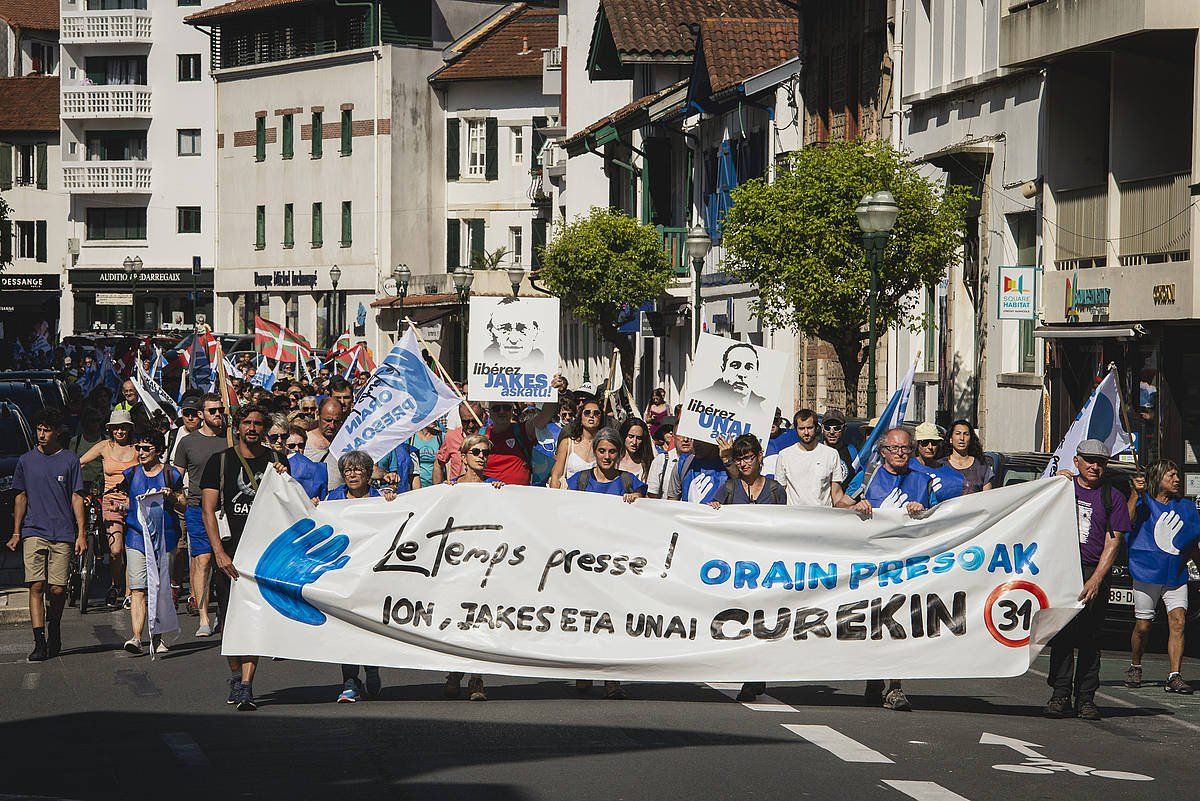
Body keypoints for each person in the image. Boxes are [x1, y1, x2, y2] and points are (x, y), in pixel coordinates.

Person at [201, 404, 290, 711]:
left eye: (257, 424)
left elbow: (290, 502)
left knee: (253, 623)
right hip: (230, 556)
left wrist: (284, 476)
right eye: (247, 423)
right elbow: (208, 510)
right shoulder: (220, 462)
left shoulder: (278, 459)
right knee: (228, 626)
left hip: (263, 558)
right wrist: (219, 553)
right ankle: (236, 674)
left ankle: (247, 685)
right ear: (237, 426)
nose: (252, 428)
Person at [856, 427, 938, 712]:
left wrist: (924, 512)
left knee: (898, 622)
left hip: (907, 565)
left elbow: (942, 517)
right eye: (895, 448)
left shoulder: (923, 480)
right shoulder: (868, 477)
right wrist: (857, 505)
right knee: (873, 623)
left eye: (906, 448)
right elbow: (840, 502)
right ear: (883, 451)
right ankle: (874, 677)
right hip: (872, 564)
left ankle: (895, 686)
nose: (901, 453)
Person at [1046, 439, 1129, 721]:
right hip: (1062, 571)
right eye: (1089, 460)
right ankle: (1059, 695)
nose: (1095, 467)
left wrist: (1096, 579)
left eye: (1101, 462)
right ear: (1077, 461)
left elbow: (1113, 542)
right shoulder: (1062, 489)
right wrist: (1051, 483)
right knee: (1062, 636)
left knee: (1090, 639)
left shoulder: (1112, 496)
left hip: (1093, 571)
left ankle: (1086, 698)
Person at [567, 427, 646, 700]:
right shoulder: (579, 480)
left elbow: (651, 517)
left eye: (612, 451)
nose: (607, 456)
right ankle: (584, 670)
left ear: (619, 453)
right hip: (584, 562)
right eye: (602, 451)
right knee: (583, 619)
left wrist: (639, 502)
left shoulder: (629, 482)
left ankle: (612, 678)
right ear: (595, 452)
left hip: (616, 564)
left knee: (612, 620)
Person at [707, 434, 786, 701]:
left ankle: (756, 675)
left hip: (766, 568)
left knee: (762, 620)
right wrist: (715, 510)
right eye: (739, 458)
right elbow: (710, 521)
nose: (743, 463)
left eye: (748, 457)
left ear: (760, 456)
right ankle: (750, 673)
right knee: (742, 619)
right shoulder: (728, 488)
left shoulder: (775, 490)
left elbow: (787, 526)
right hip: (738, 568)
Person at [5, 408, 86, 662]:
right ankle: (39, 640)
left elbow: (76, 497)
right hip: (33, 530)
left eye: (46, 430)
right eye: (38, 430)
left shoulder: (70, 460)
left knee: (58, 589)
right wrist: (17, 531)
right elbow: (20, 496)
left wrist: (81, 533)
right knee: (36, 585)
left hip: (62, 531)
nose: (41, 435)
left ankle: (55, 627)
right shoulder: (26, 461)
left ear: (57, 432)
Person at [319, 450, 396, 702]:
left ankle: (372, 668)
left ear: (368, 473)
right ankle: (350, 680)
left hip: (372, 573)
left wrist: (392, 501)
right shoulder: (334, 498)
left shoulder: (379, 498)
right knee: (346, 627)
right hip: (343, 572)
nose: (352, 474)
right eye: (347, 470)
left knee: (369, 625)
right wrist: (313, 507)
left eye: (358, 469)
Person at [1124, 460, 1199, 694]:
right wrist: (1135, 495)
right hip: (1147, 572)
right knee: (1143, 626)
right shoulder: (1144, 503)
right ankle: (1136, 664)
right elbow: (1125, 521)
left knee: (1178, 622)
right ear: (1158, 478)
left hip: (1175, 573)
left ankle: (1174, 675)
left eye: (1177, 475)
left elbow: (1192, 541)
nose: (1177, 479)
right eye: (1171, 475)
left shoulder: (1185, 508)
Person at [443, 433, 504, 702]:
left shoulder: (495, 487)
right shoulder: (451, 488)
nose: (482, 457)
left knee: (480, 621)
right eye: (476, 452)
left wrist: (506, 497)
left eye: (485, 453)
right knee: (457, 620)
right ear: (464, 457)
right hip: (457, 564)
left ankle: (477, 678)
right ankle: (455, 671)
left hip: (486, 565)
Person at [117, 432, 184, 656]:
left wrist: (172, 497)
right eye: (139, 448)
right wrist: (120, 507)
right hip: (136, 536)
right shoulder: (131, 473)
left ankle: (158, 637)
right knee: (138, 588)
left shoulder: (170, 474)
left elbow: (183, 504)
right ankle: (136, 637)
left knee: (161, 587)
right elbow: (125, 499)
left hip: (165, 537)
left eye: (146, 448)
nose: (141, 453)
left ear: (158, 450)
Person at [173, 392, 229, 637]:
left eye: (220, 410)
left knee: (225, 563)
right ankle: (204, 617)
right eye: (212, 411)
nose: (218, 415)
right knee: (203, 559)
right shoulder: (188, 442)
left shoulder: (230, 439)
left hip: (226, 510)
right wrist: (178, 496)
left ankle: (224, 615)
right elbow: (176, 474)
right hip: (197, 507)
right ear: (202, 415)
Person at [79, 409, 138, 608]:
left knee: (133, 549)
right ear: (111, 429)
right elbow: (80, 463)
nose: (120, 431)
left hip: (134, 502)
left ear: (129, 429)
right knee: (115, 550)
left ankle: (131, 592)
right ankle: (116, 584)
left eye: (124, 427)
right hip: (110, 501)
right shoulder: (104, 446)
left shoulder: (138, 448)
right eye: (116, 428)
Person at [774, 409, 854, 508]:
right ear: (796, 429)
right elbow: (779, 494)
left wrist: (849, 510)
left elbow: (836, 494)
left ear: (816, 428)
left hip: (823, 518)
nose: (806, 432)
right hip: (794, 518)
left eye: (810, 428)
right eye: (802, 428)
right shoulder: (784, 455)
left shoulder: (831, 454)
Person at [690, 342, 769, 414]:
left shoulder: (765, 408)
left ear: (756, 373)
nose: (741, 374)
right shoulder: (700, 399)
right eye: (735, 366)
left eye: (749, 367)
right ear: (723, 369)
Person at [549, 397, 604, 489]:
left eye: (596, 413)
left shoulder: (606, 445)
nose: (591, 415)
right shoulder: (567, 443)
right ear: (580, 417)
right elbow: (556, 476)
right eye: (587, 413)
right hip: (571, 499)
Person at [481, 297, 549, 372]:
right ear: (491, 332)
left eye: (522, 329)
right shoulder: (482, 359)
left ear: (535, 331)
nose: (513, 339)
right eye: (504, 329)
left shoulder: (545, 363)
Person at [268, 419, 326, 503]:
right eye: (291, 446)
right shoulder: (264, 456)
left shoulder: (311, 468)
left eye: (301, 445)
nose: (297, 449)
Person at [934, 420, 994, 498]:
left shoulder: (982, 466)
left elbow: (987, 498)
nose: (962, 438)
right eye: (958, 434)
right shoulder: (939, 466)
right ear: (950, 439)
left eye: (966, 434)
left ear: (970, 439)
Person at [667, 438, 732, 504]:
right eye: (694, 439)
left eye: (701, 441)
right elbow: (672, 502)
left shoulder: (732, 467)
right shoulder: (683, 463)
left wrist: (728, 461)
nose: (696, 444)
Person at [305, 398, 348, 491]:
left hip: (339, 499)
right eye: (327, 420)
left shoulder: (345, 442)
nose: (332, 426)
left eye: (336, 421)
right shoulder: (303, 441)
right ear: (317, 414)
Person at [436, 401, 484, 484]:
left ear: (481, 417)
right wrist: (437, 490)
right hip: (457, 489)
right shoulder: (451, 437)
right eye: (466, 422)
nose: (471, 425)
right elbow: (438, 464)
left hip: (482, 488)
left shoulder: (488, 436)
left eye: (474, 421)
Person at [821, 409, 861, 492]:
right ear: (822, 429)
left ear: (844, 428)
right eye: (827, 428)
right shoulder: (816, 451)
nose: (832, 432)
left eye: (837, 428)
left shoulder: (851, 451)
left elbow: (858, 478)